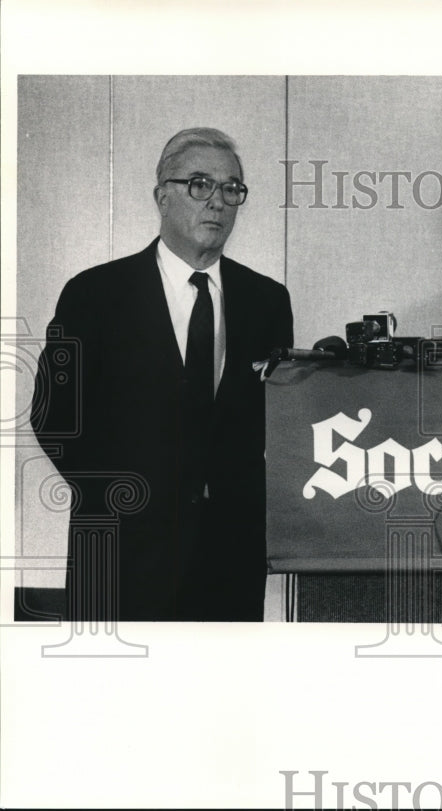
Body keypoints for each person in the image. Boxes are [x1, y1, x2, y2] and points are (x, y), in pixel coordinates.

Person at [31, 128, 294, 621]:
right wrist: (118, 499)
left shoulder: (267, 301)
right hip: (121, 553)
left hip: (228, 560)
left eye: (231, 189)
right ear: (162, 197)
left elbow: (271, 425)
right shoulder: (94, 294)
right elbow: (53, 417)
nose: (217, 202)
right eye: (199, 184)